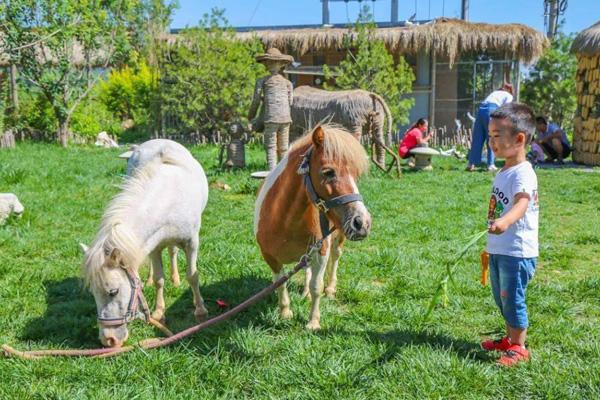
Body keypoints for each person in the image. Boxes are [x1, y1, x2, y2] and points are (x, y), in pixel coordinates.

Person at [482, 102, 539, 367]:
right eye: (489, 135)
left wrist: (504, 221)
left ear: (519, 139)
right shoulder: (505, 170)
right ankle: (509, 338)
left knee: (512, 297)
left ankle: (519, 347)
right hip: (500, 248)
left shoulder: (523, 172)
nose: (491, 142)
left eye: (497, 136)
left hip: (516, 251)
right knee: (501, 296)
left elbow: (522, 203)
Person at [248, 48, 294, 170]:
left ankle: (272, 173)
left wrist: (251, 116)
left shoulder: (262, 81)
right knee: (284, 147)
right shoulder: (288, 83)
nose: (271, 64)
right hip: (285, 117)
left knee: (271, 146)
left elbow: (256, 101)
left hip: (271, 118)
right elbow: (290, 102)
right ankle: (284, 171)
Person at [467, 83, 514, 172]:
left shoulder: (495, 93)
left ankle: (471, 164)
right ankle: (491, 164)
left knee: (478, 138)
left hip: (481, 109)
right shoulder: (509, 95)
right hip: (491, 109)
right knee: (492, 137)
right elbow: (506, 110)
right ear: (510, 91)